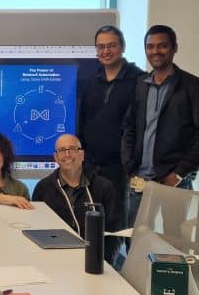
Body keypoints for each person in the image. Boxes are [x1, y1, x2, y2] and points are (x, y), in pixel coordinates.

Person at [122, 24, 199, 230]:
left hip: (173, 181)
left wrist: (180, 173)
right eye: (150, 46)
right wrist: (129, 166)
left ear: (174, 48)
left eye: (162, 46)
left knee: (173, 240)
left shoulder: (192, 86)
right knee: (135, 237)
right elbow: (130, 127)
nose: (155, 51)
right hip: (140, 179)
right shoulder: (140, 84)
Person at [78, 25, 143, 235]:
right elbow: (83, 120)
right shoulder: (91, 82)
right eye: (101, 46)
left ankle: (114, 267)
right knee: (93, 225)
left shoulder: (139, 81)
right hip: (91, 167)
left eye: (111, 45)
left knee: (118, 228)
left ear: (122, 47)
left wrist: (130, 164)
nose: (106, 51)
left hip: (121, 170)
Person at [32, 134, 118, 262]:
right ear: (56, 157)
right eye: (61, 150)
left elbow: (113, 232)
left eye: (72, 148)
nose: (67, 154)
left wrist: (103, 263)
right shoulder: (43, 188)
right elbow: (36, 230)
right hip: (54, 259)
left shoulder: (103, 187)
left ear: (82, 155)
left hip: (94, 259)